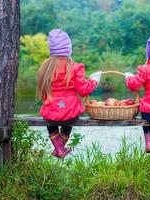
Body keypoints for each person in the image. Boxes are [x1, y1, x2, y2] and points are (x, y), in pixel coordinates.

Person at [37, 29, 102, 158]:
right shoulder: (75, 67)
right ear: (68, 49)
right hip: (70, 112)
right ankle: (60, 149)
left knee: (50, 123)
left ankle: (59, 148)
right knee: (68, 122)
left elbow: (43, 92)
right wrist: (94, 81)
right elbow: (83, 90)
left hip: (51, 111)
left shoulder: (45, 67)